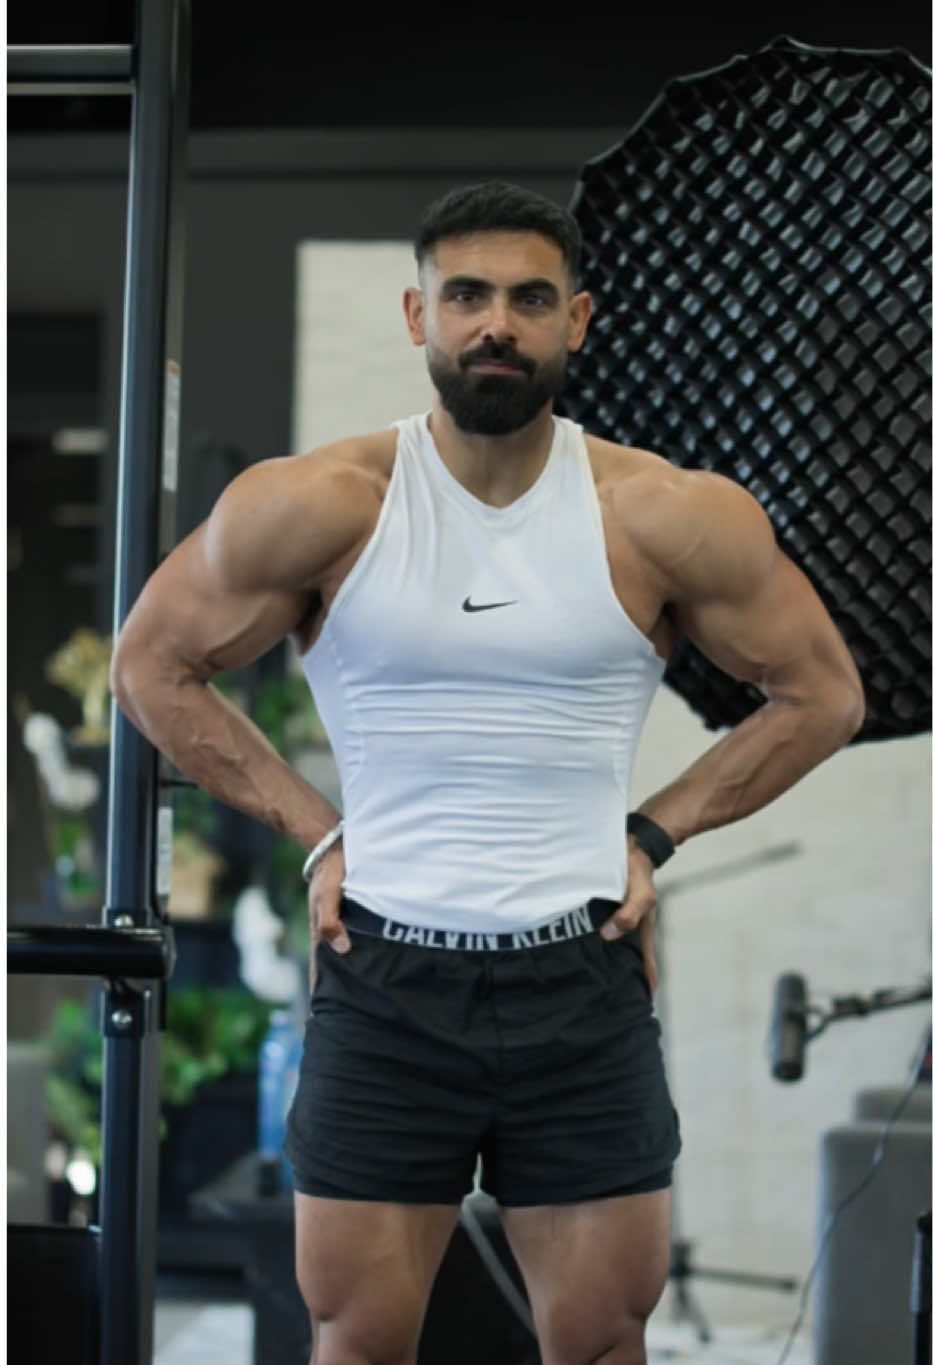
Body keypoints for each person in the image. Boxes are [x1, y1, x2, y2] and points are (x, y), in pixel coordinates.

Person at [111, 180, 865, 1365]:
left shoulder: (665, 513)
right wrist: (318, 830)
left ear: (579, 320)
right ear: (419, 316)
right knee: (357, 1342)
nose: (496, 324)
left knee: (603, 1342)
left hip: (583, 980)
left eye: (529, 299)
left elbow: (824, 694)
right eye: (466, 296)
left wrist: (653, 833)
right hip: (385, 979)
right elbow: (151, 667)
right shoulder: (321, 504)